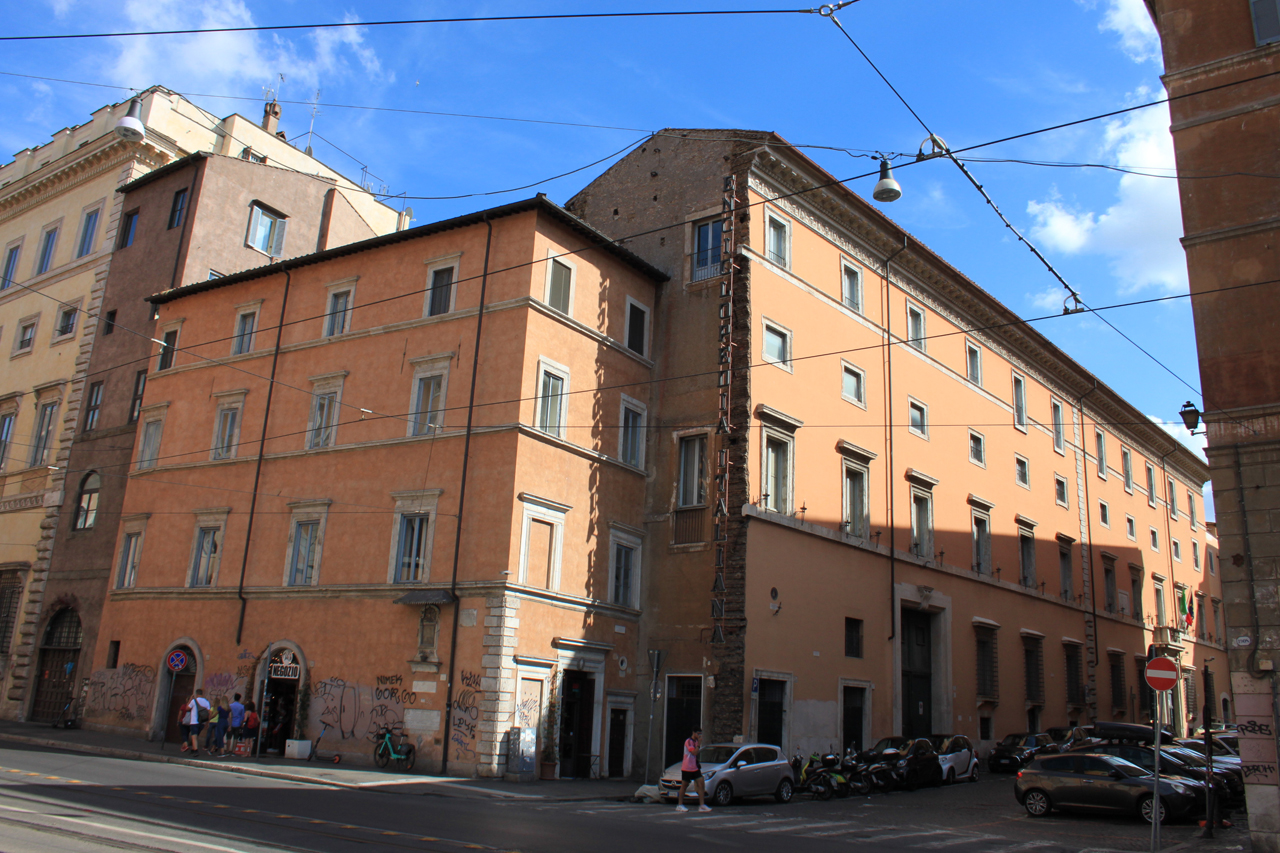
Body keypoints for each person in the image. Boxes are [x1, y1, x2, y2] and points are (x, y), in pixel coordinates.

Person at [675, 726, 711, 813]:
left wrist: (698, 744)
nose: (699, 736)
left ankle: (702, 805)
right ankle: (679, 805)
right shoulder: (688, 741)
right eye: (698, 734)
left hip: (694, 767)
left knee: (701, 782)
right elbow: (694, 752)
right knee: (684, 785)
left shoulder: (695, 742)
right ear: (693, 733)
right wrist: (698, 745)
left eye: (700, 734)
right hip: (687, 767)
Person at [186, 689, 211, 757]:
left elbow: (187, 708)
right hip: (202, 722)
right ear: (202, 694)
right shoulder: (206, 702)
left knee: (194, 736)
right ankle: (193, 749)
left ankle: (196, 751)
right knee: (196, 736)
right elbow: (209, 712)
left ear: (196, 694)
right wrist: (207, 722)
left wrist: (190, 699)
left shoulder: (194, 701)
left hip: (194, 721)